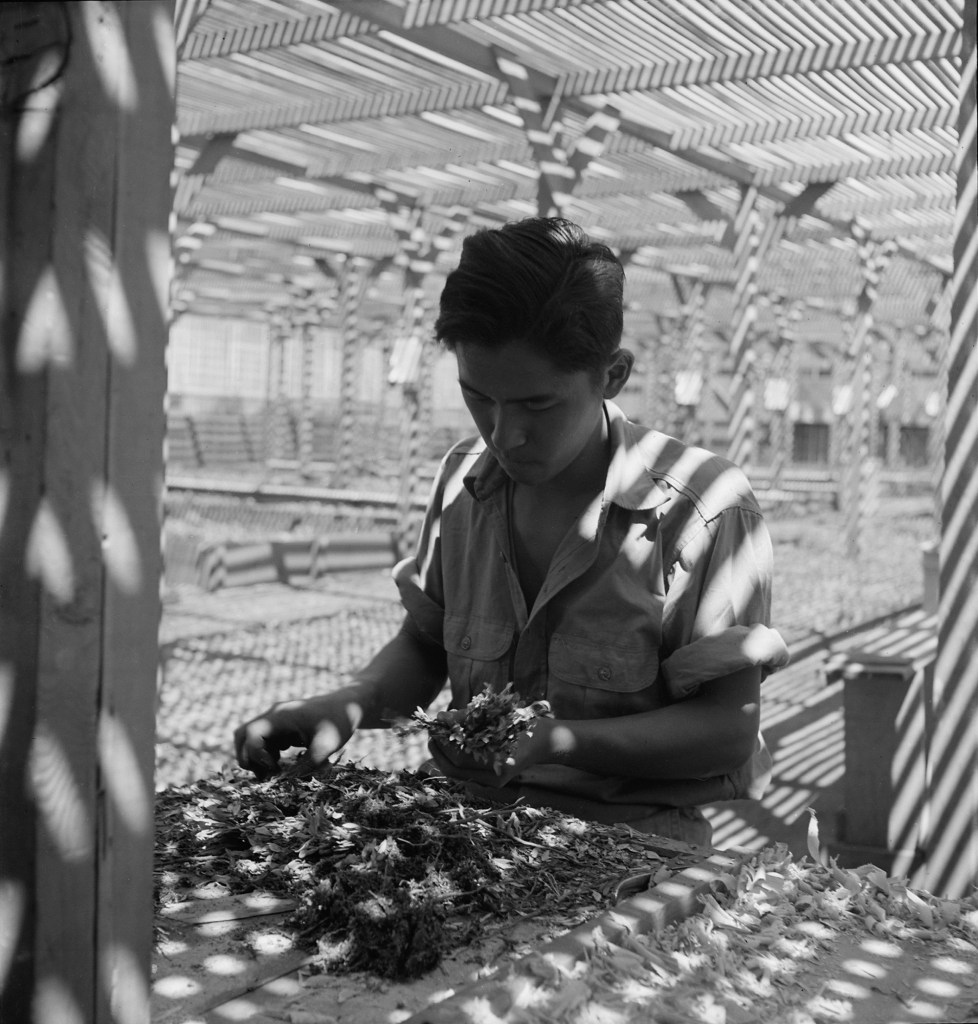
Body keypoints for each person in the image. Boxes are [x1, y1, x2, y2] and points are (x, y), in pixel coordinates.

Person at [234, 216, 789, 847]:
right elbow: (425, 646)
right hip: (459, 825)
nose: (503, 434)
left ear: (612, 375)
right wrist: (348, 704)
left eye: (537, 405)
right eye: (478, 397)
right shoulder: (464, 481)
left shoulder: (702, 510)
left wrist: (560, 742)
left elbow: (726, 731)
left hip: (631, 841)